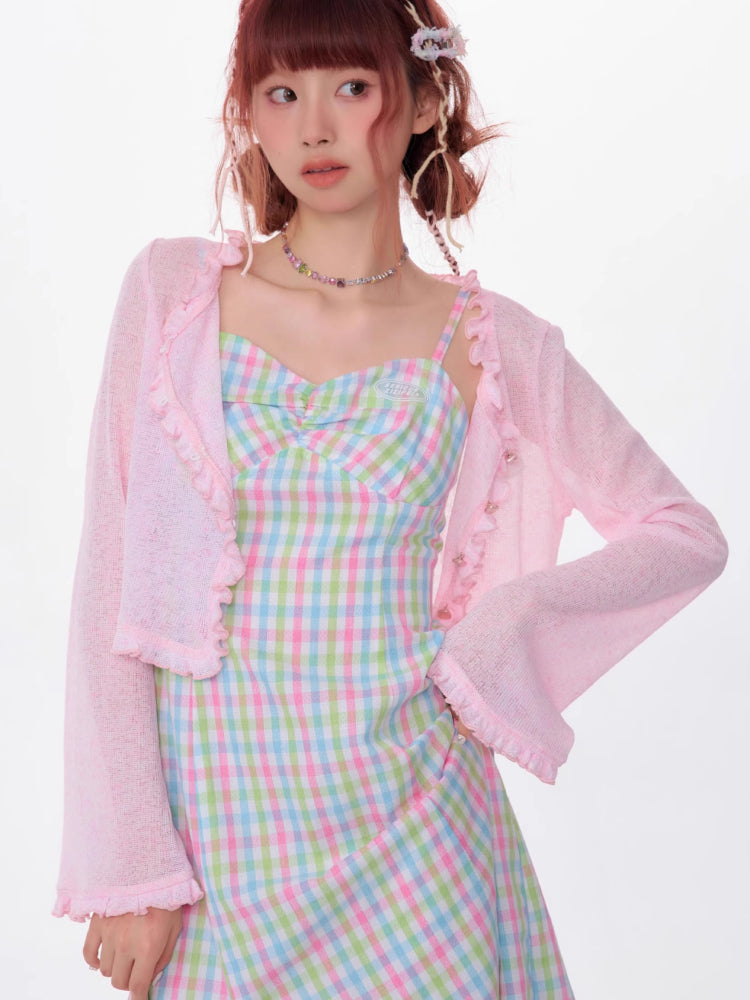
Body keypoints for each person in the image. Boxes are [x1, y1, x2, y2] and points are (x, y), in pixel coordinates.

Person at [52, 1, 728, 998]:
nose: (314, 127)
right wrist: (131, 866)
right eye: (282, 93)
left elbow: (682, 535)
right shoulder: (175, 293)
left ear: (419, 103)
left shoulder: (493, 341)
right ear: (249, 114)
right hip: (222, 851)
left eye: (351, 87)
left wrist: (494, 642)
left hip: (416, 836)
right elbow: (107, 588)